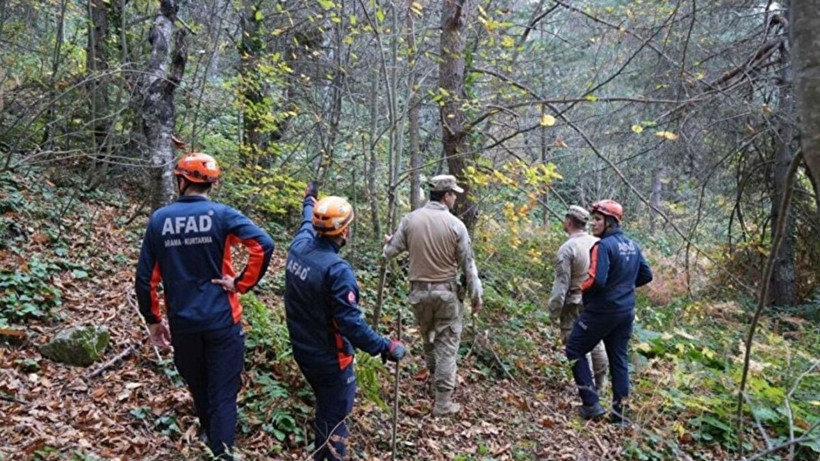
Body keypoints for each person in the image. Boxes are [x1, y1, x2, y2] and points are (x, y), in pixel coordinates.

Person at [135, 153, 274, 459]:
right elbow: (263, 244)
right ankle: (220, 450)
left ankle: (212, 436)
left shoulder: (160, 220)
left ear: (181, 180)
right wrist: (240, 284)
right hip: (223, 320)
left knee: (198, 384)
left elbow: (146, 279)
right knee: (224, 393)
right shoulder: (222, 216)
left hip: (184, 322)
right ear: (211, 184)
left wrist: (153, 320)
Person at [285, 182, 406, 461]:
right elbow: (350, 324)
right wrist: (385, 346)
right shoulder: (337, 271)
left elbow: (306, 219)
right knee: (334, 424)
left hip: (303, 349)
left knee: (326, 413)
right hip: (331, 360)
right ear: (345, 231)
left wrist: (309, 200)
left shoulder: (300, 245)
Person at [383, 174, 483, 416]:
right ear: (446, 195)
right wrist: (476, 296)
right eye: (454, 195)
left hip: (418, 295)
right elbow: (468, 265)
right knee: (447, 345)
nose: (455, 199)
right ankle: (442, 403)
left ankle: (433, 382)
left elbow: (388, 252)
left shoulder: (410, 220)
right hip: (446, 295)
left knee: (429, 339)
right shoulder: (456, 225)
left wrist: (393, 242)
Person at [565, 200, 652, 424]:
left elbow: (597, 280)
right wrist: (624, 287)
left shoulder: (602, 246)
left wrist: (579, 288)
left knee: (575, 347)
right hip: (625, 311)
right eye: (593, 218)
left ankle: (591, 403)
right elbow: (646, 275)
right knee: (619, 359)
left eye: (598, 219)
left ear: (610, 223)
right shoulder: (633, 245)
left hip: (601, 310)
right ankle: (621, 415)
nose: (593, 223)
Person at [547, 206, 608, 392]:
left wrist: (554, 310)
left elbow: (561, 284)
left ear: (569, 221)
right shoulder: (598, 243)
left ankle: (586, 387)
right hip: (596, 301)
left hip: (574, 302)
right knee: (596, 341)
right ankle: (601, 386)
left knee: (576, 344)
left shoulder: (568, 248)